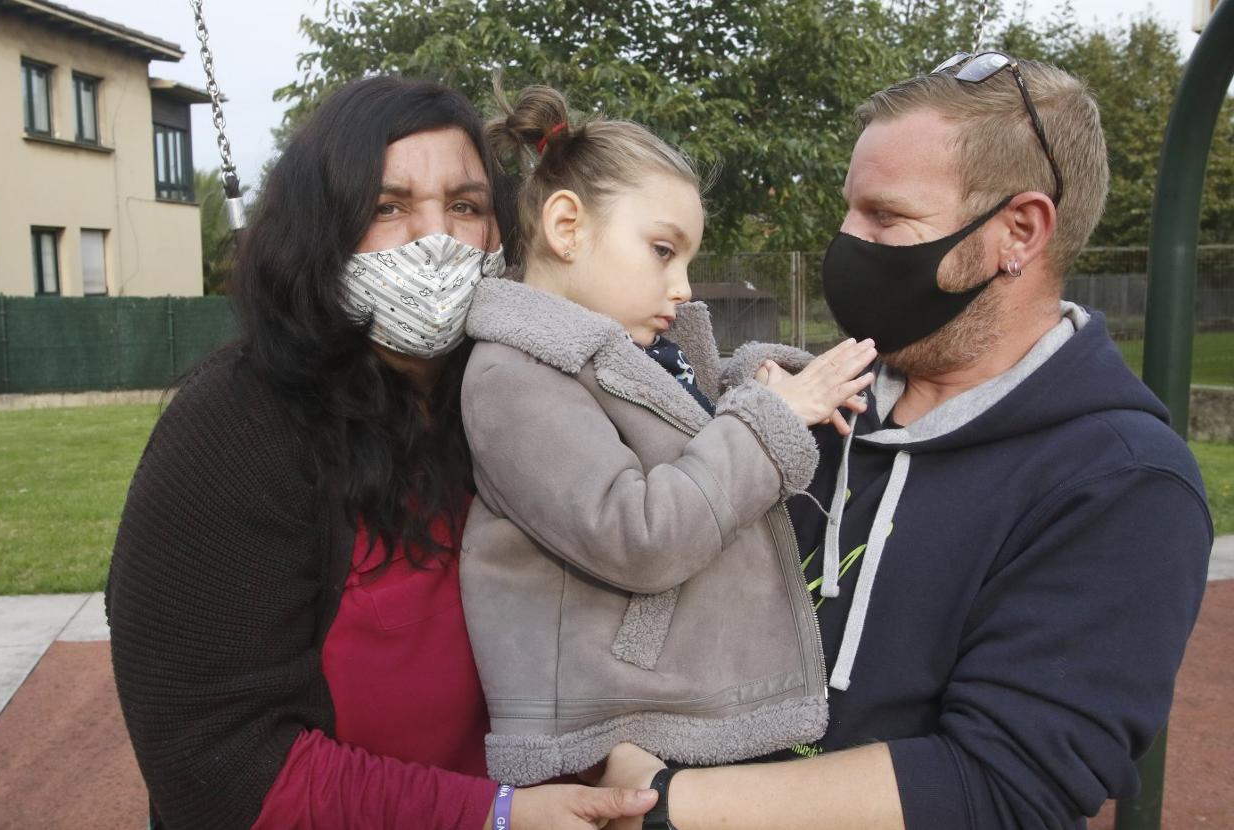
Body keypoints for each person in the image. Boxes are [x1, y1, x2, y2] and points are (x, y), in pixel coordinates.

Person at [594, 54, 1212, 830]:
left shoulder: (1121, 480)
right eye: (850, 211)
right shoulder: (800, 406)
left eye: (885, 217)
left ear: (1018, 231)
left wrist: (664, 802)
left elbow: (1007, 781)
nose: (848, 242)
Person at [107, 76, 662, 830]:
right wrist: (492, 817)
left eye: (466, 206)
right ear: (320, 229)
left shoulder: (524, 401)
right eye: (387, 207)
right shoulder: (236, 427)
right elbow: (216, 766)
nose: (434, 239)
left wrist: (624, 750)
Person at [457, 83, 877, 786]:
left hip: (677, 704)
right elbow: (638, 535)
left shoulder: (634, 349)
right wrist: (770, 418)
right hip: (610, 737)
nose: (684, 286)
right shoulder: (514, 375)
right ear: (567, 228)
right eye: (662, 251)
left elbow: (693, 431)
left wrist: (754, 384)